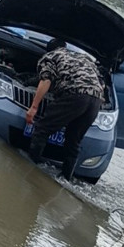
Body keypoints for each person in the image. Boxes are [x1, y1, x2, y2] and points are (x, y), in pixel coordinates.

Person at [25, 38, 104, 181]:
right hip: (96, 99)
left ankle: (29, 168)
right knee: (74, 142)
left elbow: (46, 80)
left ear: (49, 49)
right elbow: (101, 82)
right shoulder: (84, 58)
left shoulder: (50, 56)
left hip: (76, 94)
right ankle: (66, 180)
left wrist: (34, 107)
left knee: (42, 129)